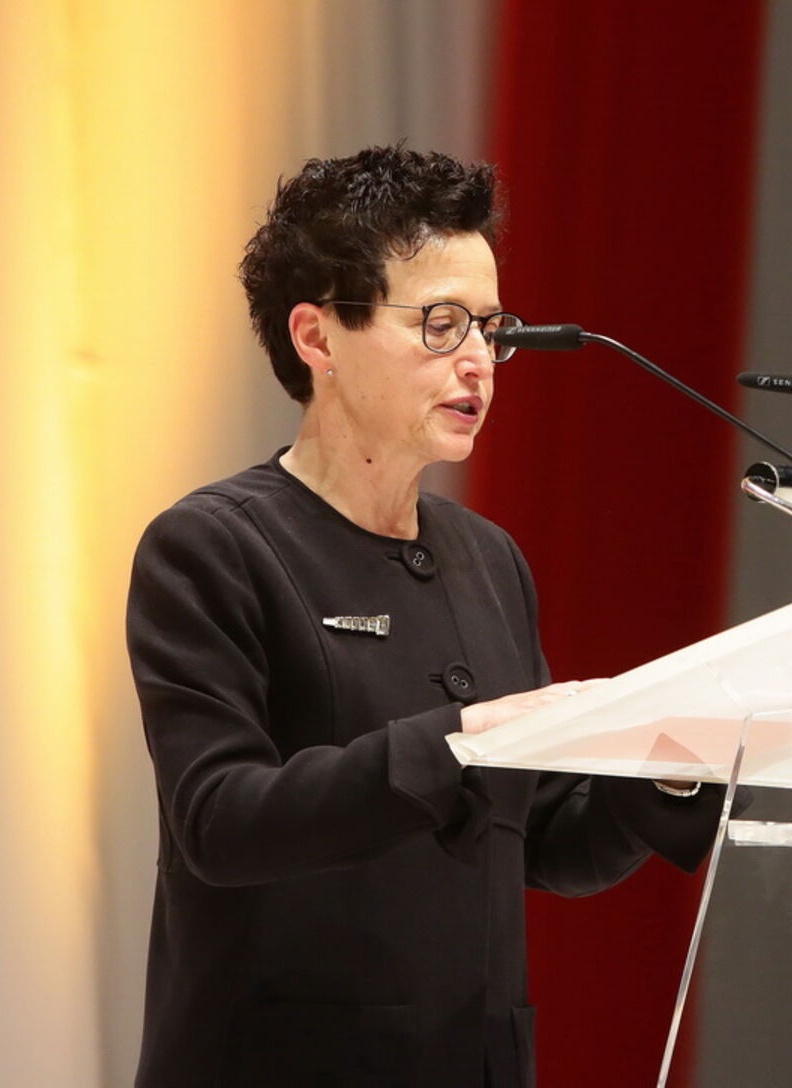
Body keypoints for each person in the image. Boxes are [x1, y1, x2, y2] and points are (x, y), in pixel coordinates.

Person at [126, 145, 722, 1087]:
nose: (480, 361)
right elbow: (220, 820)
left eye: (492, 328)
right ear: (318, 337)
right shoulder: (213, 546)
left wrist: (669, 766)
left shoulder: (490, 560)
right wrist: (460, 740)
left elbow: (547, 842)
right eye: (442, 325)